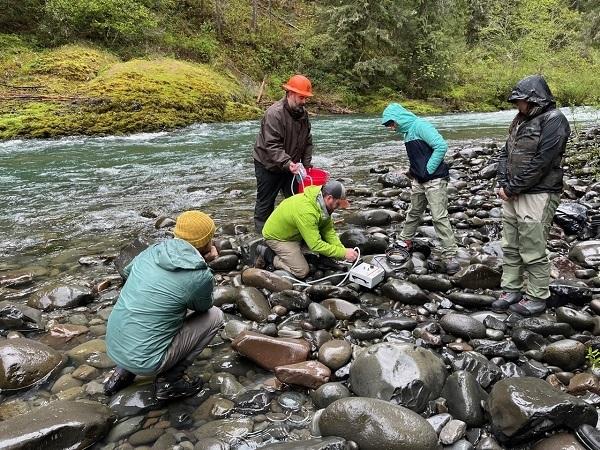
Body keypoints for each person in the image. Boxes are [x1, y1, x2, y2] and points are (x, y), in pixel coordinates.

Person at [104, 210, 224, 400]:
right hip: (147, 361)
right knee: (215, 316)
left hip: (113, 344)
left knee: (153, 304)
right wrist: (203, 265)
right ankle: (170, 382)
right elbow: (203, 307)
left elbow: (127, 273)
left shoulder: (153, 250)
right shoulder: (199, 275)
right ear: (207, 242)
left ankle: (123, 372)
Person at [492, 75, 570, 316]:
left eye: (521, 100)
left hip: (539, 193)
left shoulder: (555, 120)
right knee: (511, 244)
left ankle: (537, 295)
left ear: (535, 99)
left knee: (533, 247)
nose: (518, 105)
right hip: (513, 192)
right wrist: (503, 181)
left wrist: (512, 187)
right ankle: (511, 289)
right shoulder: (520, 121)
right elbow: (505, 153)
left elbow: (543, 162)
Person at [381, 103, 460, 275]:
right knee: (414, 211)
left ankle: (450, 254)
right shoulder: (407, 133)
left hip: (435, 179)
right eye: (389, 125)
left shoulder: (421, 126)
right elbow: (418, 156)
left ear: (399, 119)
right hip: (419, 179)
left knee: (439, 216)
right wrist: (414, 172)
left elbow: (441, 146)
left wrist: (428, 170)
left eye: (392, 124)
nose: (391, 128)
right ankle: (405, 240)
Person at [257, 180, 358, 279]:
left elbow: (328, 231)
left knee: (320, 251)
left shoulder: (323, 205)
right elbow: (315, 245)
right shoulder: (307, 211)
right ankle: (268, 254)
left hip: (295, 232)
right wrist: (343, 253)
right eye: (338, 204)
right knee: (302, 271)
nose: (338, 207)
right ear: (329, 198)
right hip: (279, 237)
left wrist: (343, 251)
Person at [253, 74, 314, 234]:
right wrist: (288, 163)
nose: (304, 101)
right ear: (290, 93)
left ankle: (295, 233)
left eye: (306, 98)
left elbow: (307, 141)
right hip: (268, 165)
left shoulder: (303, 114)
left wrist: (306, 166)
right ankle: (261, 238)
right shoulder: (274, 114)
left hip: (291, 166)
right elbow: (272, 145)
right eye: (302, 97)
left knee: (297, 200)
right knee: (265, 203)